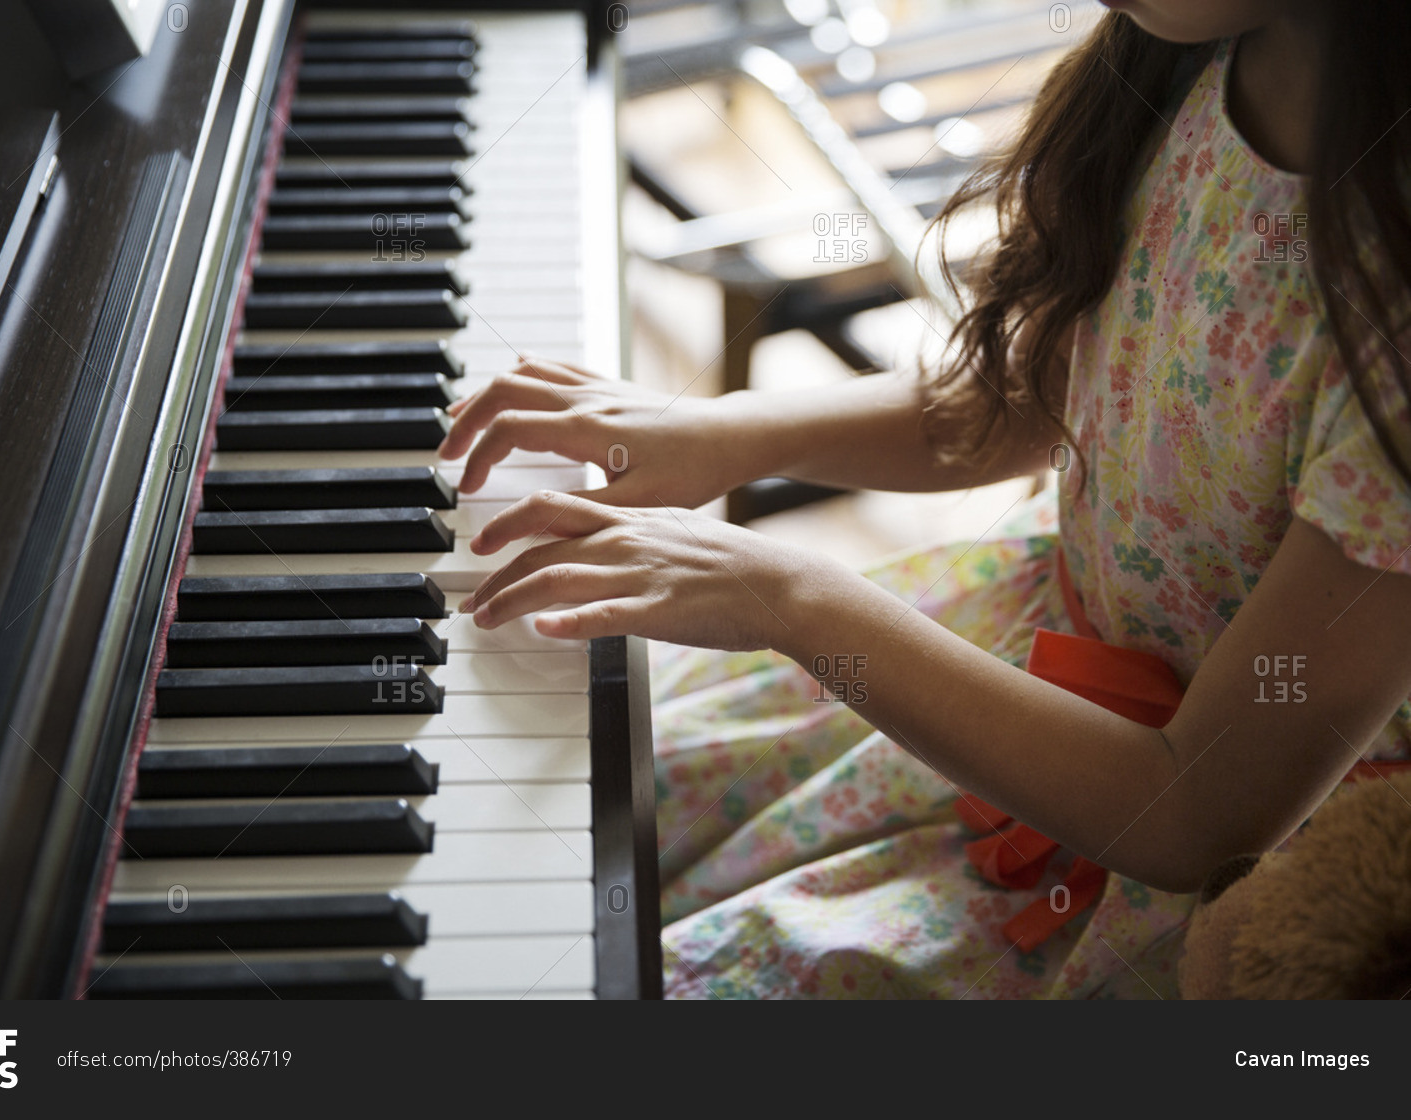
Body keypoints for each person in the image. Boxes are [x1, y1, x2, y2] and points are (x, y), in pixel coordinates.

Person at [437, 0, 1411, 998]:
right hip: (1012, 658)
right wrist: (729, 433)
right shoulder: (1191, 57)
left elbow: (1186, 816)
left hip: (1150, 876)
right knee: (542, 821)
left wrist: (791, 598)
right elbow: (1045, 393)